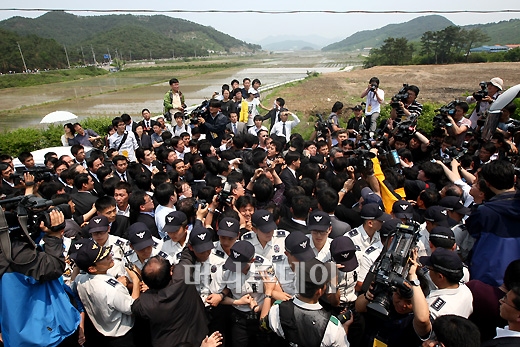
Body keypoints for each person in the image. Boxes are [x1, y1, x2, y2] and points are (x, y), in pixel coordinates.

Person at [0, 209, 81, 347]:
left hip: (14, 334)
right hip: (43, 335)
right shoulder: (16, 255)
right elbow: (53, 267)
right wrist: (54, 236)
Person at [260, 257, 354, 347]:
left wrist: (268, 293)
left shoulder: (277, 310)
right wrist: (345, 327)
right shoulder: (332, 327)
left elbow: (263, 325)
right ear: (319, 291)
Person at [73, 238, 141, 346]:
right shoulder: (113, 290)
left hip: (100, 333)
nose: (109, 256)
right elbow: (133, 308)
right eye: (103, 258)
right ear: (92, 269)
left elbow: (74, 284)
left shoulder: (80, 280)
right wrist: (136, 281)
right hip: (122, 337)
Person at [466, 160, 520, 287]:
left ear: (488, 184)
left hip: (489, 277)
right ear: (514, 178)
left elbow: (472, 230)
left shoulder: (484, 212)